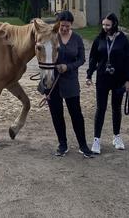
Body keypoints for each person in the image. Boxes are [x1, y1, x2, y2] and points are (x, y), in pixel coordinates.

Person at [47, 10, 95, 158]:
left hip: (71, 81)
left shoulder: (77, 39)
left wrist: (68, 67)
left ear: (71, 25)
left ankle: (83, 145)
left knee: (76, 114)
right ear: (58, 24)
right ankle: (62, 144)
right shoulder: (52, 37)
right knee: (57, 114)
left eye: (67, 26)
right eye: (62, 26)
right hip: (53, 81)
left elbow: (81, 59)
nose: (64, 29)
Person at [85, 13, 129, 154]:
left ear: (114, 24)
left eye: (108, 25)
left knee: (116, 108)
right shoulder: (99, 39)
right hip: (102, 78)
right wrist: (89, 75)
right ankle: (96, 139)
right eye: (103, 25)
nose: (105, 27)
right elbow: (93, 58)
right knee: (100, 108)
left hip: (119, 79)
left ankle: (117, 136)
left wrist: (128, 80)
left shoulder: (123, 39)